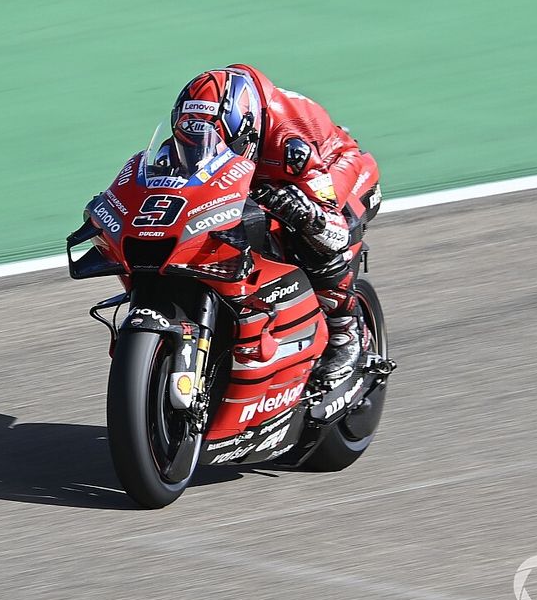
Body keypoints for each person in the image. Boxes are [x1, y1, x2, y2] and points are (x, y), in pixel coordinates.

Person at [160, 64, 377, 385]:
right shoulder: (196, 135)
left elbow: (333, 233)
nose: (202, 149)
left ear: (246, 131)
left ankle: (347, 329)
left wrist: (305, 212)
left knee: (313, 230)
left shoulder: (289, 140)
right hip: (263, 177)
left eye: (216, 143)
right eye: (193, 140)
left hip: (334, 170)